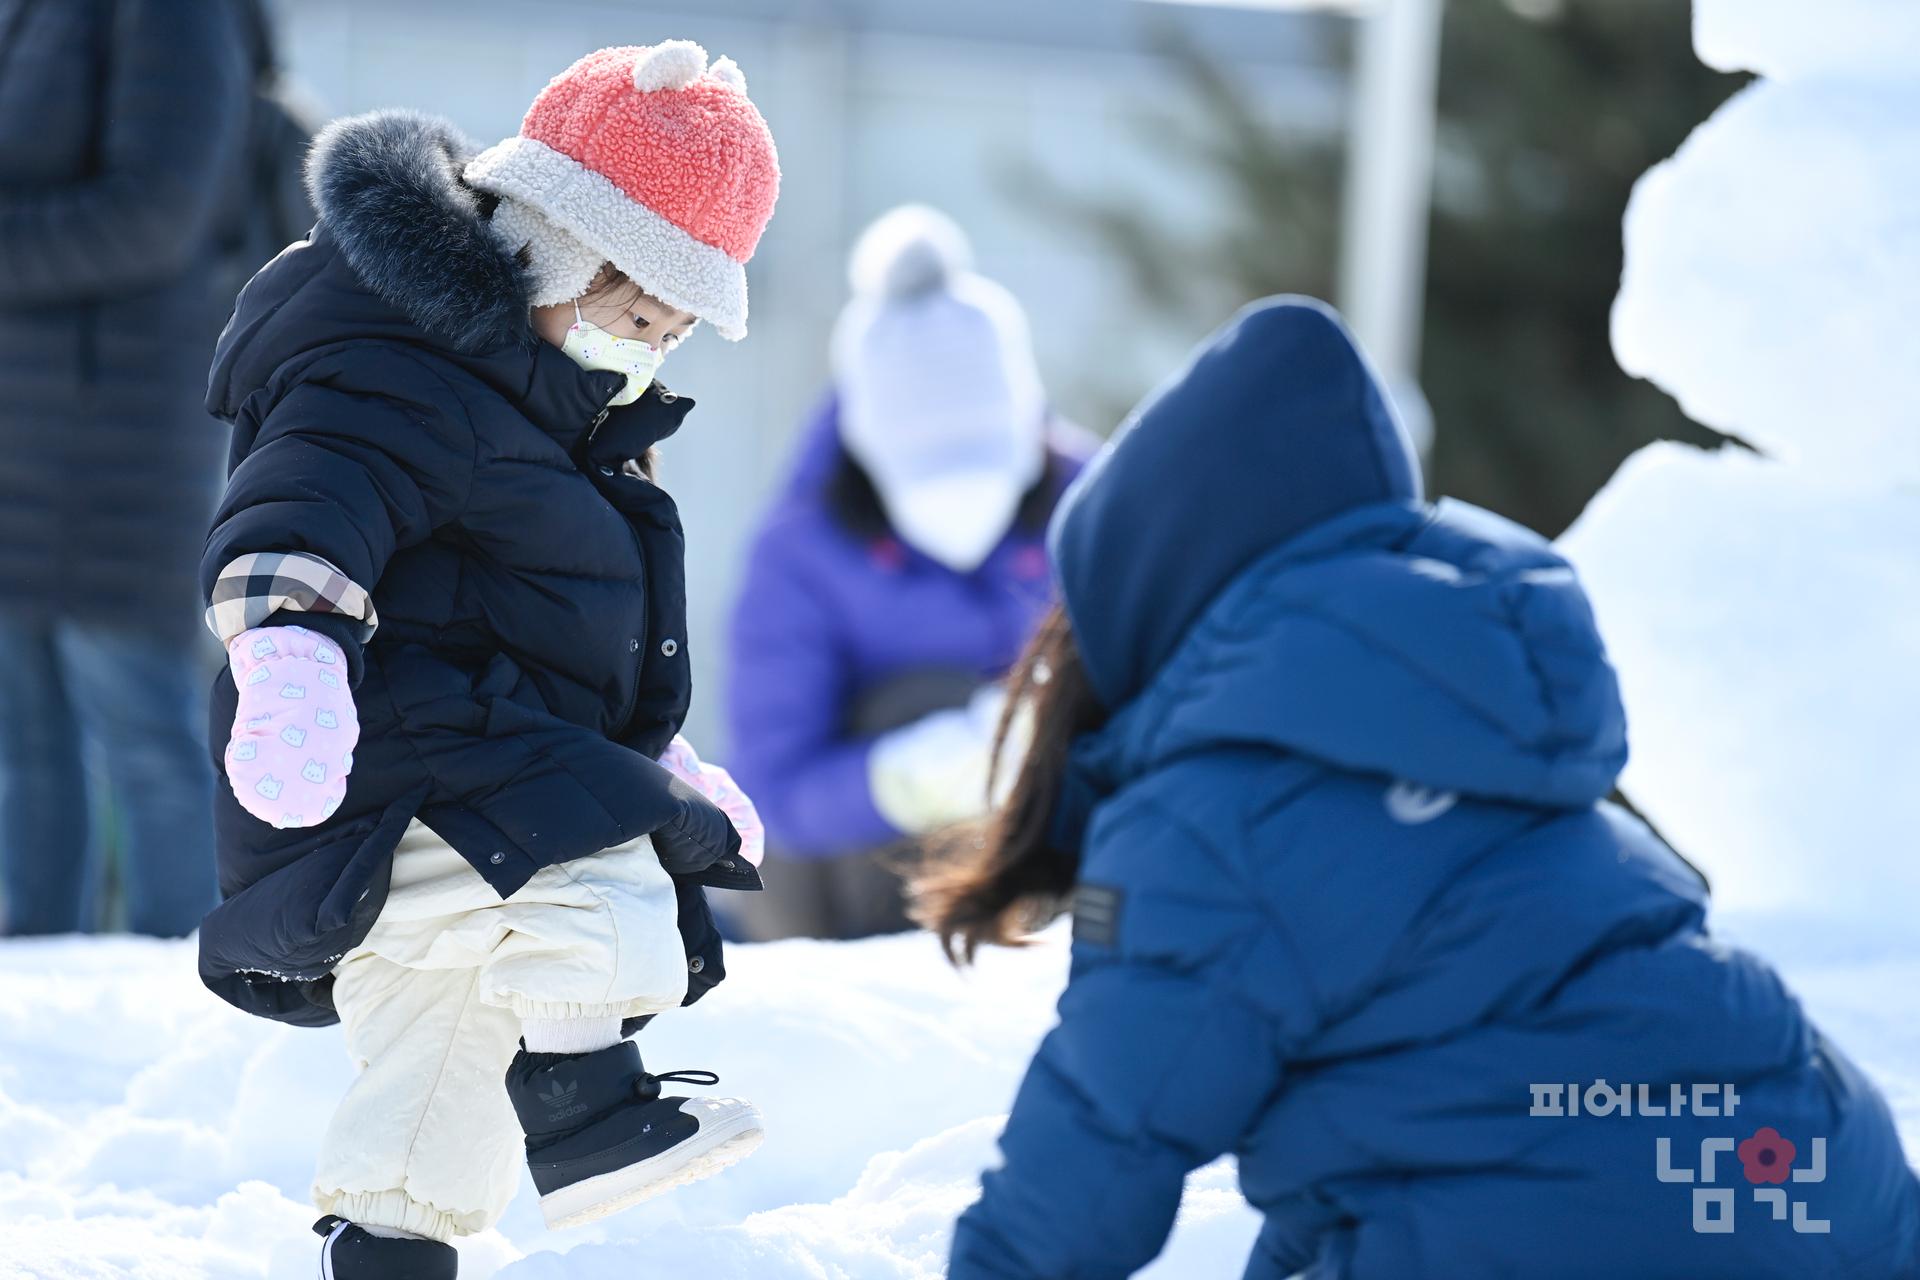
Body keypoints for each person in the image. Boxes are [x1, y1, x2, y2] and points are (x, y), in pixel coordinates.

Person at [917, 298, 1920, 1278]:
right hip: (1821, 1185)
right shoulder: (1475, 738)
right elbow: (1432, 1132)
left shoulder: (1221, 814)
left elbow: (1084, 1176)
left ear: (1146, 597)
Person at [195, 42, 780, 1279]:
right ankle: (586, 1104)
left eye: (672, 333)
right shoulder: (400, 370)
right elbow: (304, 499)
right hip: (383, 747)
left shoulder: (570, 418)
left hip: (473, 751)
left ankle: (388, 1241)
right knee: (605, 864)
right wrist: (289, 654)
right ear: (555, 250)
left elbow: (572, 643)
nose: (646, 353)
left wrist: (663, 753)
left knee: (443, 1036)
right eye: (633, 314)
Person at [726, 206, 1086, 940]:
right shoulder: (802, 549)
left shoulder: (1090, 507)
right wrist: (914, 775)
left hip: (1042, 858)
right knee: (923, 695)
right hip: (836, 893)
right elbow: (768, 790)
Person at [0, 0, 254, 937]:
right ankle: (36, 987)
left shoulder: (176, 16)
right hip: (24, 425)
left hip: (117, 430)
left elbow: (158, 216)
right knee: (22, 742)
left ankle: (190, 982)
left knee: (144, 729)